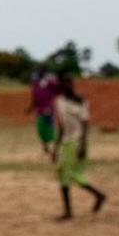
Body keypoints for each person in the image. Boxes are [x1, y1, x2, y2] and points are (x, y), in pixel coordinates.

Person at [49, 73, 107, 220]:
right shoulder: (59, 102)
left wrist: (83, 145)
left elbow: (85, 125)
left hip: (76, 143)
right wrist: (56, 148)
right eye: (63, 83)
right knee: (64, 174)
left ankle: (70, 211)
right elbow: (61, 127)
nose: (66, 85)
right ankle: (97, 196)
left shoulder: (81, 102)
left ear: (72, 84)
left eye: (68, 82)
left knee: (70, 175)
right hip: (66, 143)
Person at [26, 67, 60, 156]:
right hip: (39, 111)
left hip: (48, 110)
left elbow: (58, 90)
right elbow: (34, 99)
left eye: (41, 72)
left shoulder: (49, 83)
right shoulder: (35, 85)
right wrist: (30, 108)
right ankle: (46, 147)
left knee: (49, 130)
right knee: (40, 130)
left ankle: (52, 149)